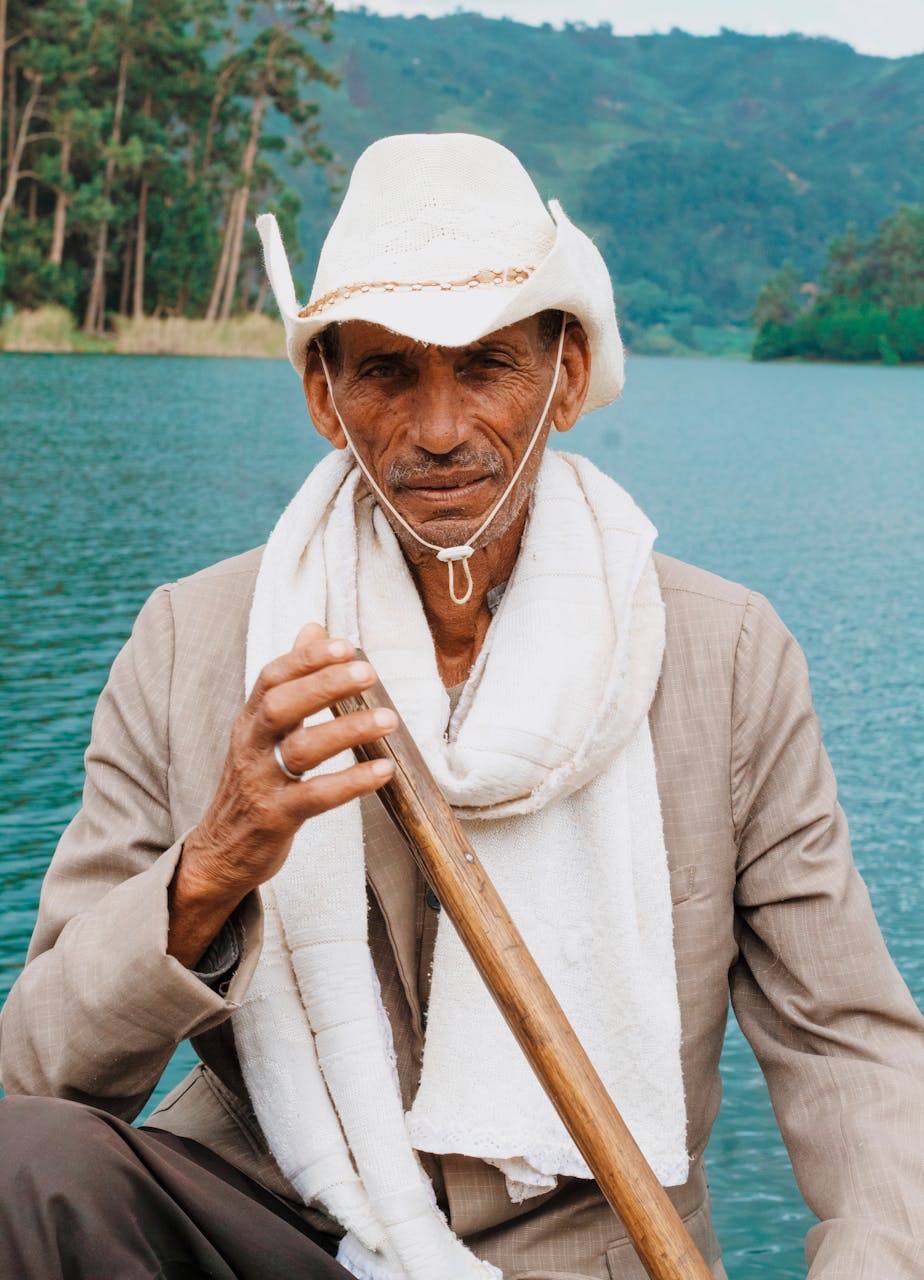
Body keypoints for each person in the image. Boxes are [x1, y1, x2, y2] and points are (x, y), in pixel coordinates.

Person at [0, 133, 922, 1280]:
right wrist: (211, 866)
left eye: (485, 364)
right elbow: (34, 1079)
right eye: (388, 370)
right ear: (325, 396)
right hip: (286, 1234)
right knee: (27, 1161)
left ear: (568, 377)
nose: (439, 429)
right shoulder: (194, 639)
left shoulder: (725, 656)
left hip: (588, 1259)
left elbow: (852, 1046)